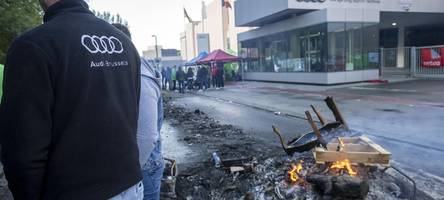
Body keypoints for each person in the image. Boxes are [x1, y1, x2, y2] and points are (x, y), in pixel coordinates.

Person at [0, 1, 143, 200]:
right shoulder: (123, 42)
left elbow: (22, 151)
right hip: (130, 187)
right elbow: (132, 116)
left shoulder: (32, 46)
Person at [113, 23, 164, 200]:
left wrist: (129, 173)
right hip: (136, 165)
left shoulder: (140, 74)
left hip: (144, 167)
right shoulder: (127, 68)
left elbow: (147, 137)